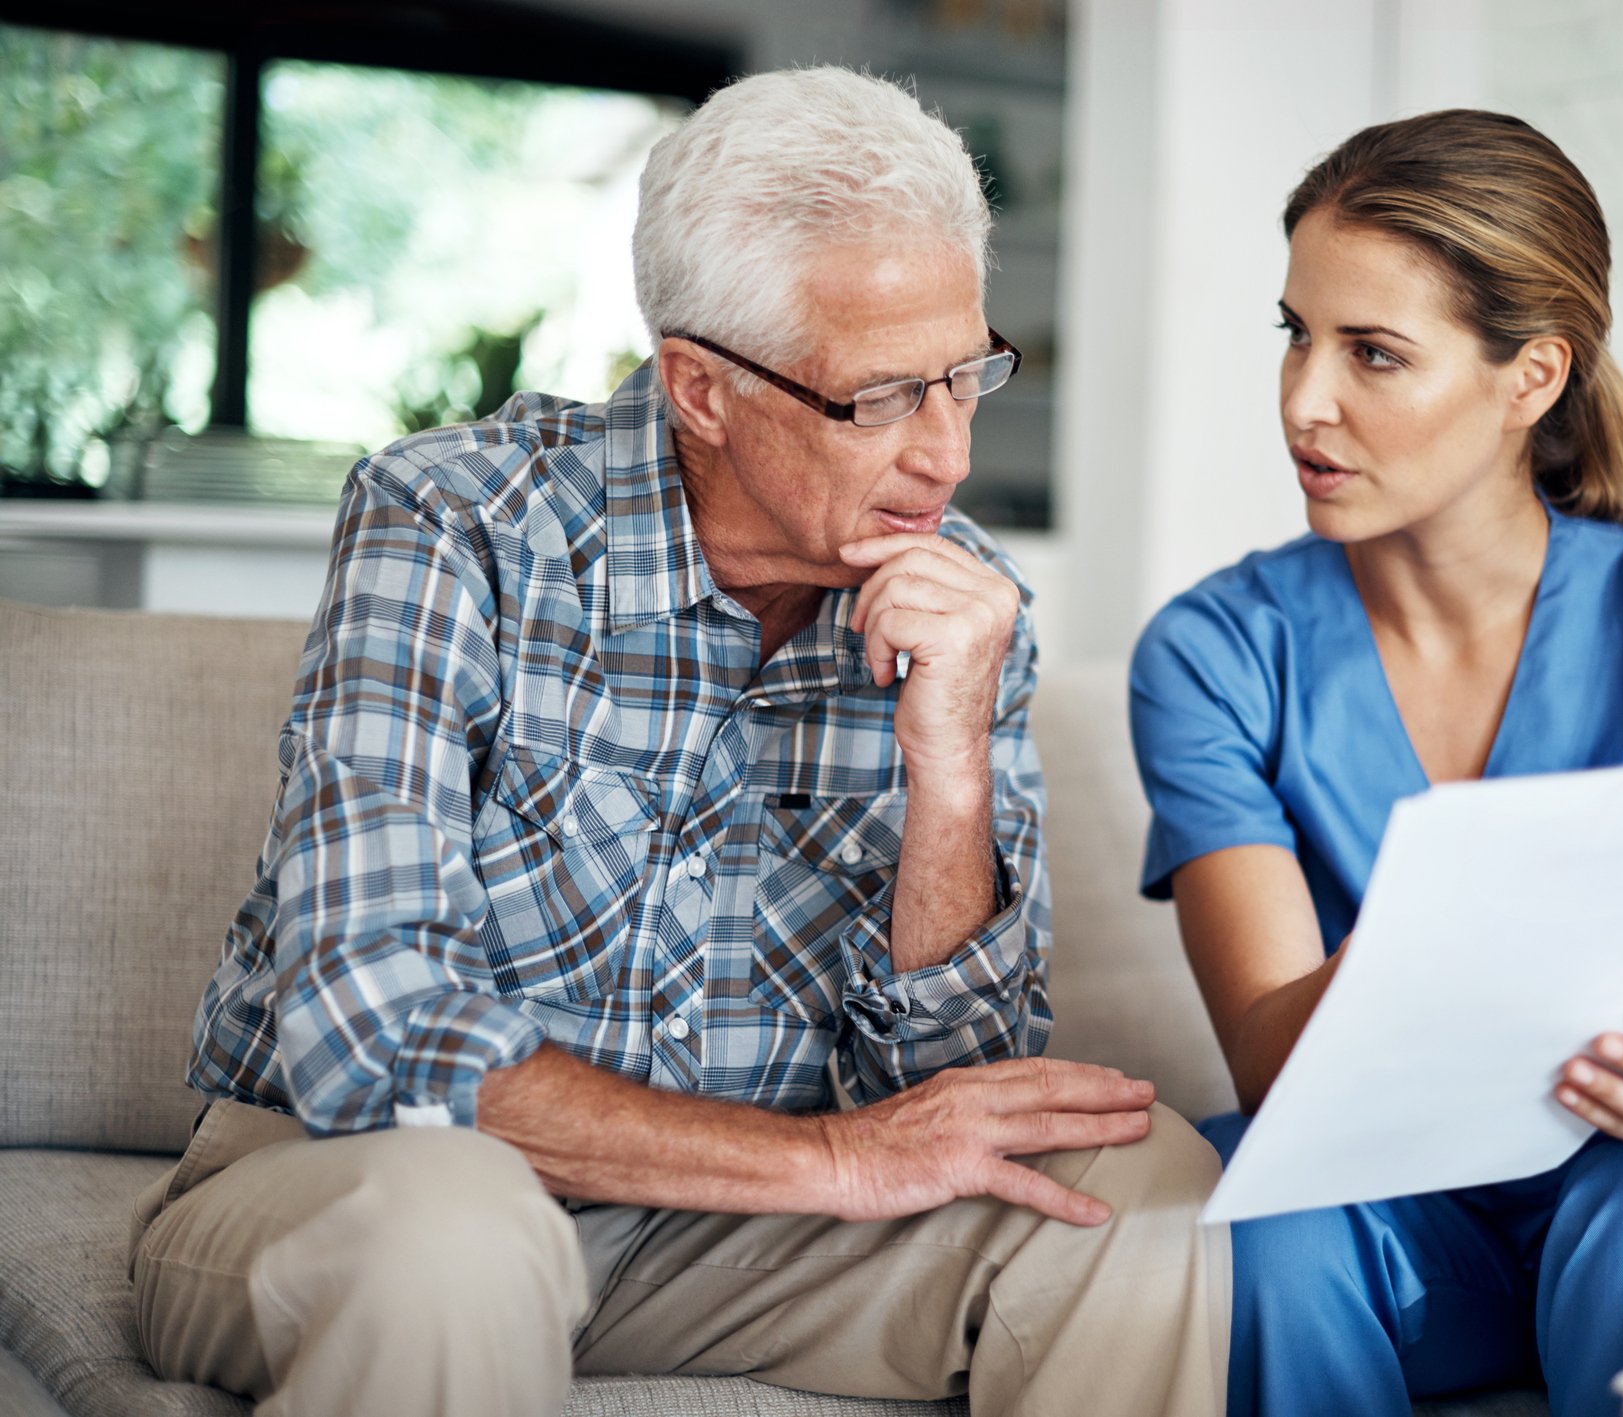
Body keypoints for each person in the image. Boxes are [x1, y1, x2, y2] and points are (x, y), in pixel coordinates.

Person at [130, 66, 1228, 1417]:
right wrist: (835, 1164)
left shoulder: (963, 596)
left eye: (965, 375)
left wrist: (949, 774)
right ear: (701, 390)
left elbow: (961, 1106)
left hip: (729, 1234)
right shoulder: (452, 524)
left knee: (1142, 1189)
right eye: (879, 399)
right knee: (458, 1233)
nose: (946, 454)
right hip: (370, 1182)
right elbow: (374, 1031)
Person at [1127, 110, 1623, 1417]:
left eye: (1374, 352)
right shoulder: (1213, 650)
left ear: (1532, 375)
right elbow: (1272, 1063)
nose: (1307, 398)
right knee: (1259, 1223)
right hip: (1382, 1194)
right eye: (1295, 332)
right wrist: (1428, 952)